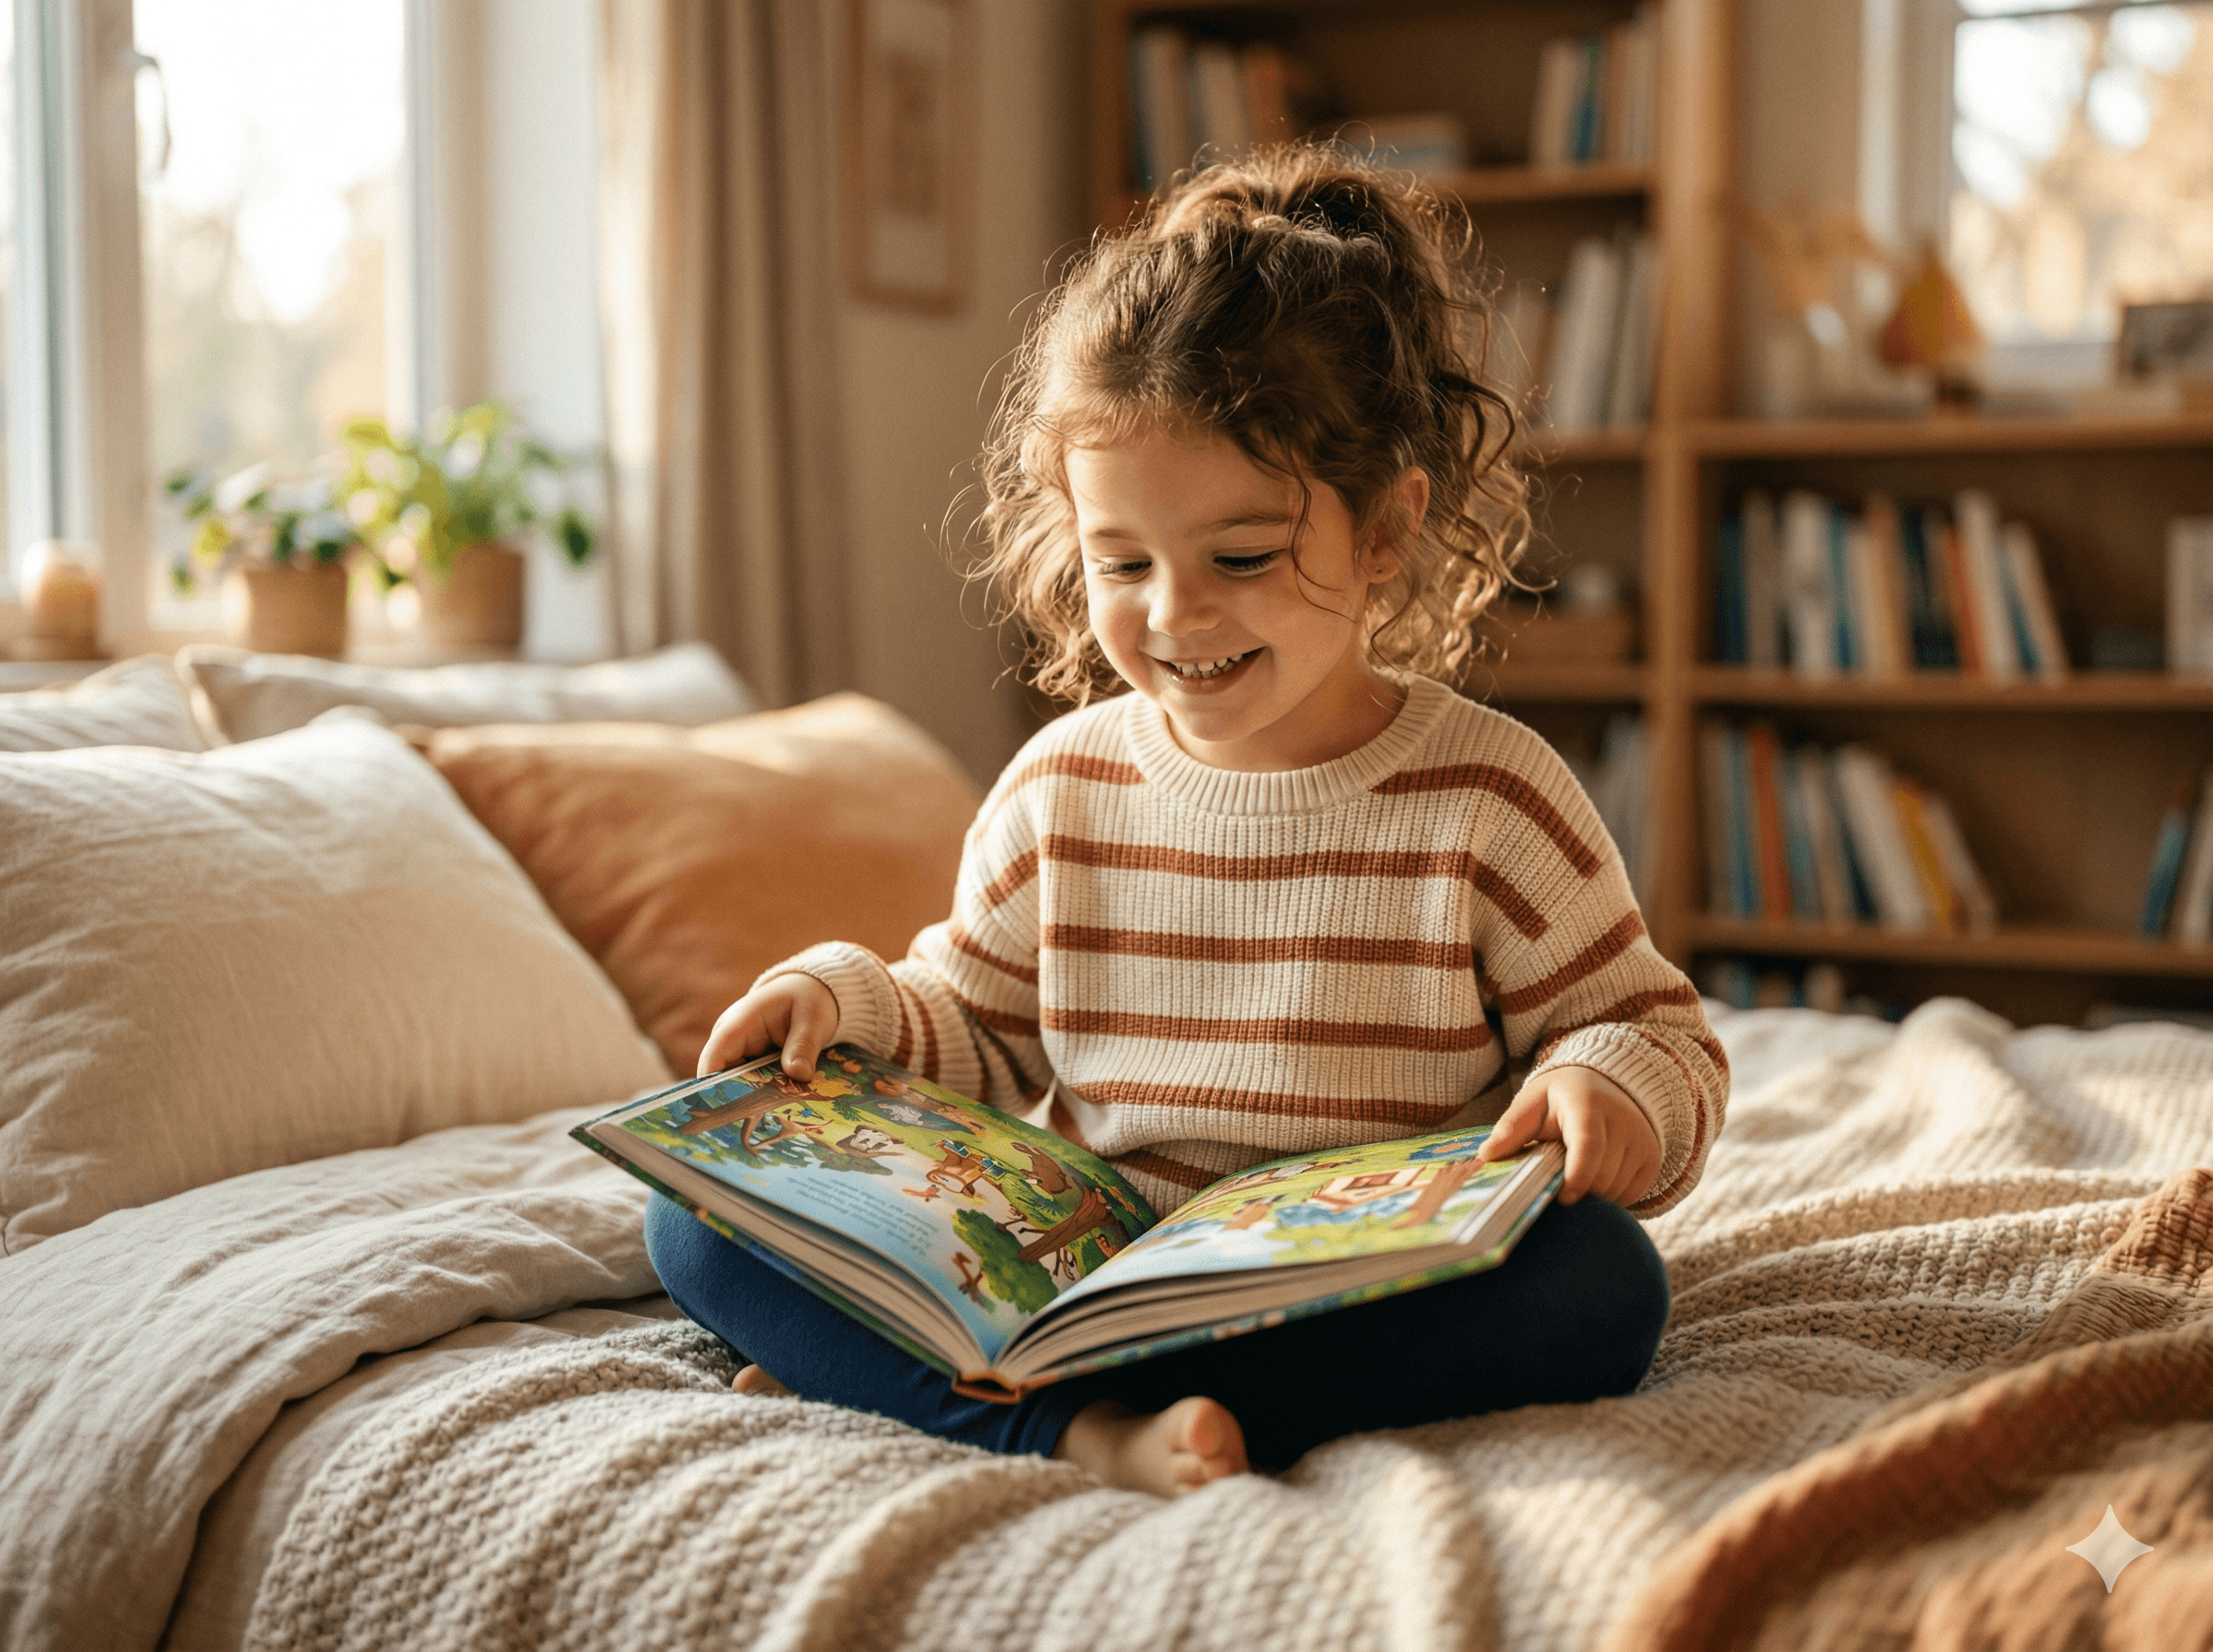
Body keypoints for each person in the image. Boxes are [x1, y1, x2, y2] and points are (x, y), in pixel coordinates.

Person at [646, 143, 1728, 1499]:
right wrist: (844, 1006)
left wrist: (1608, 1085)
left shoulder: (1491, 797)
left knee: (1600, 1285)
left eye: (1240, 558)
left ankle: (983, 1400)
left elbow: (1656, 1031)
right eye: (1122, 563)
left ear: (1385, 529)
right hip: (1087, 1262)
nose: (1173, 615)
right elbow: (974, 1034)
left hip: (1354, 1284)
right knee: (696, 1224)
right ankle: (1081, 1423)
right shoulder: (1062, 787)